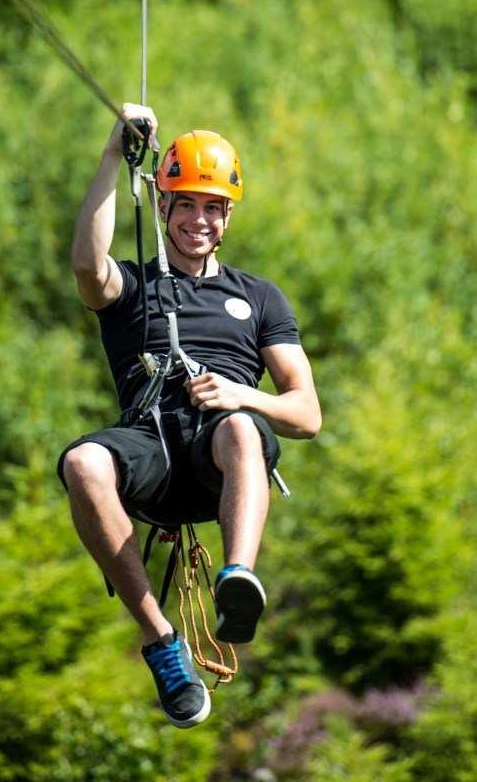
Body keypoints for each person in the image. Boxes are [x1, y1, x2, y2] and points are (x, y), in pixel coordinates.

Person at [57, 103, 321, 728]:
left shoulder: (257, 297)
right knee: (82, 462)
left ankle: (238, 578)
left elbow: (305, 412)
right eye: (185, 205)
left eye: (212, 207)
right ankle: (160, 643)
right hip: (149, 444)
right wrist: (110, 157)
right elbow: (86, 267)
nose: (198, 220)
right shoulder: (132, 288)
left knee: (236, 427)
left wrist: (242, 394)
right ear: (164, 209)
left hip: (221, 452)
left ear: (227, 217)